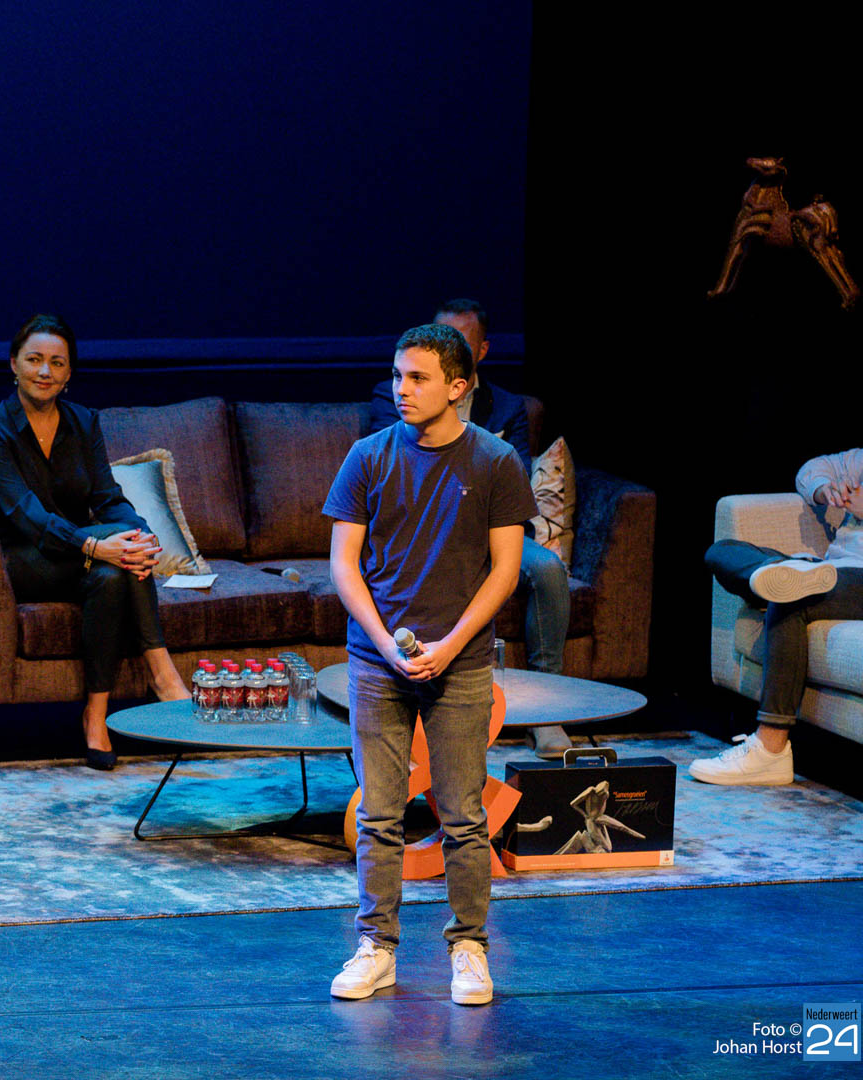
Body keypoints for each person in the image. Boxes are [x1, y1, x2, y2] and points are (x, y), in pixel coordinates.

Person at [327, 322, 536, 1006]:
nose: (402, 389)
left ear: (457, 386)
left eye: (417, 378)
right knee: (379, 813)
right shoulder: (368, 456)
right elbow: (344, 564)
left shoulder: (495, 461)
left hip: (462, 662)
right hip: (377, 661)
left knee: (463, 813)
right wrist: (385, 642)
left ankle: (468, 947)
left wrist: (450, 644)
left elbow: (505, 570)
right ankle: (376, 947)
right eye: (398, 375)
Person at [0, 313, 191, 770]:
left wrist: (141, 535)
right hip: (24, 558)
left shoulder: (83, 422)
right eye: (34, 359)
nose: (44, 371)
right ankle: (162, 672)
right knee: (114, 556)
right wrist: (95, 545)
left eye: (57, 363)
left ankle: (95, 715)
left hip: (81, 559)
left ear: (69, 372)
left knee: (113, 575)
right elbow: (25, 516)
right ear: (14, 364)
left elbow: (108, 498)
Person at [367, 299, 573, 758]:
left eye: (461, 340)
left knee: (546, 569)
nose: (405, 386)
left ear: (479, 352)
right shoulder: (392, 398)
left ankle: (547, 711)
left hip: (490, 524)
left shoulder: (508, 406)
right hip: (428, 526)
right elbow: (400, 457)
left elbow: (514, 474)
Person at [692, 443, 863, 785]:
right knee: (722, 551)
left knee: (791, 593)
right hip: (833, 569)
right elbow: (813, 468)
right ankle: (779, 572)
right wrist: (825, 489)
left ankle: (770, 750)